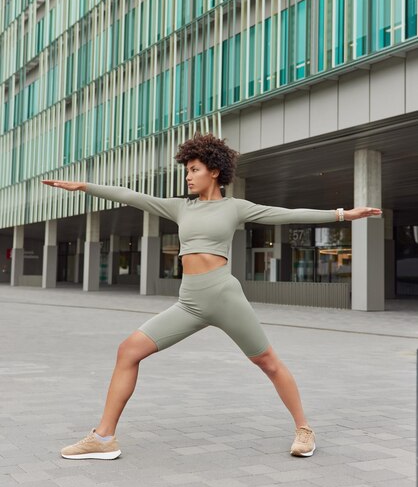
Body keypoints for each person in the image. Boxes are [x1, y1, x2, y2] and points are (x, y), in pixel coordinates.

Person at [41, 132, 382, 460]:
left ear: (214, 171)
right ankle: (103, 438)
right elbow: (131, 196)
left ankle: (304, 429)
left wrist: (342, 215)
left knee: (267, 362)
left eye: (194, 170)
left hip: (223, 296)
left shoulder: (236, 208)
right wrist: (84, 186)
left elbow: (287, 215)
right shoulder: (181, 208)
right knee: (128, 350)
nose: (188, 177)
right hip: (189, 301)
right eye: (187, 170)